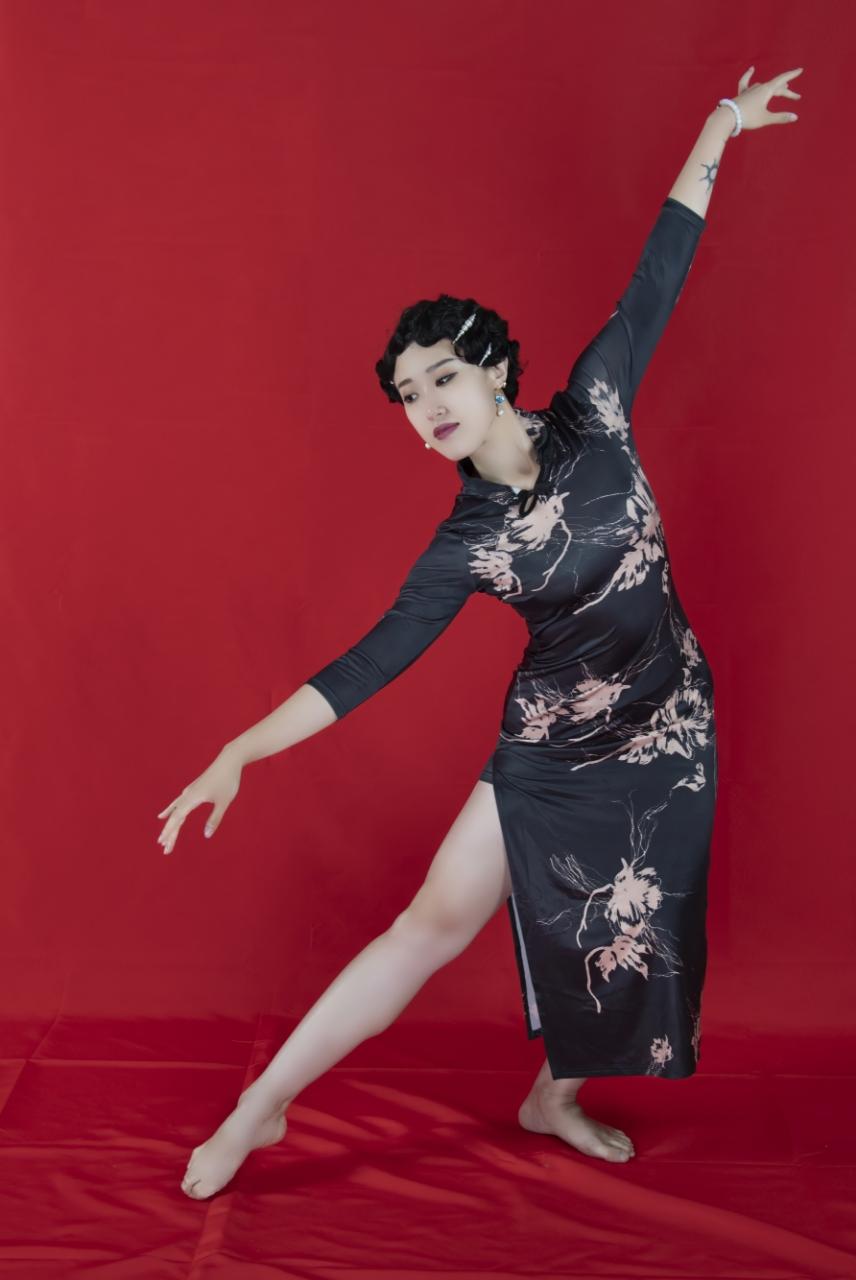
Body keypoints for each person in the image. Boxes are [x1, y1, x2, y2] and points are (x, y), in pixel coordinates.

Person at [157, 66, 803, 1200]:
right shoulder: (465, 542)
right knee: (428, 924)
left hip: (670, 722)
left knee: (645, 924)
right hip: (552, 749)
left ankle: (553, 1094)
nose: (430, 407)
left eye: (443, 376)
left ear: (496, 369)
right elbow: (367, 664)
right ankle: (258, 1110)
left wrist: (720, 126)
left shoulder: (597, 406)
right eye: (410, 397)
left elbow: (659, 271)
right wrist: (237, 752)